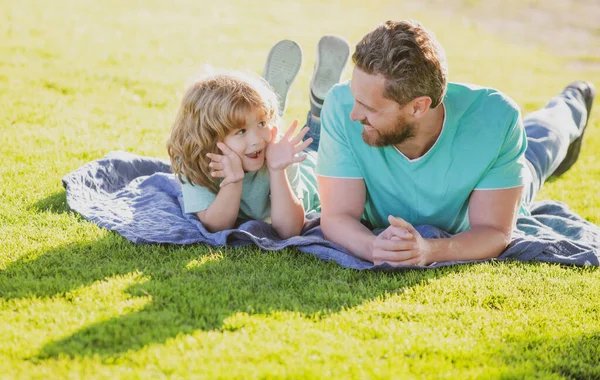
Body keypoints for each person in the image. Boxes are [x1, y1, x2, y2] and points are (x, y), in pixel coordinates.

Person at [314, 20, 596, 266]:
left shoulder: (494, 119)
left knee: (544, 141)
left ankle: (573, 99)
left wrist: (429, 250)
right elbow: (337, 216)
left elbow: (495, 231)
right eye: (355, 97)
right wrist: (372, 247)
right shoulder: (341, 106)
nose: (355, 113)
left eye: (370, 108)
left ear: (418, 107)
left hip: (497, 174)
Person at [166, 36, 350, 239]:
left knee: (315, 145)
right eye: (241, 131)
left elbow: (289, 230)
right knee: (262, 128)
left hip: (312, 170)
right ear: (208, 137)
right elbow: (216, 226)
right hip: (260, 154)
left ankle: (320, 105)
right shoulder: (195, 162)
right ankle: (267, 109)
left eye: (261, 124)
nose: (257, 140)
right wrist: (233, 181)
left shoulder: (277, 154)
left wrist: (277, 170)